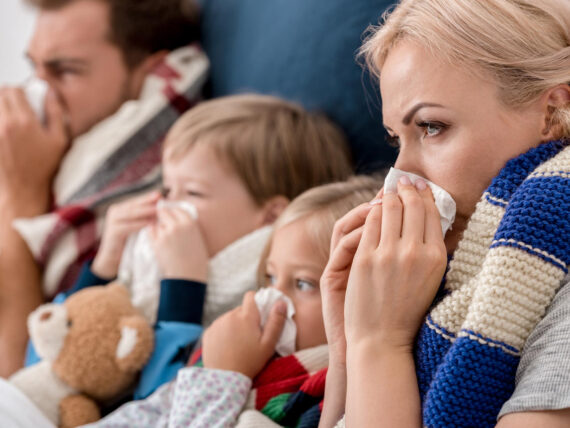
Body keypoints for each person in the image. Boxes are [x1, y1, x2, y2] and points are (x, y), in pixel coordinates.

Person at [318, 0, 570, 427]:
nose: (400, 176)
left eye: (432, 127)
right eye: (396, 139)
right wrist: (348, 346)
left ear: (551, 113)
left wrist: (380, 343)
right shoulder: (448, 277)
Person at [62, 94, 354, 399]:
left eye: (192, 192)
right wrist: (104, 267)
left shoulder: (264, 298)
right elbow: (56, 351)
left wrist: (184, 284)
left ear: (270, 217)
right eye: (168, 189)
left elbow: (163, 403)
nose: (168, 205)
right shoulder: (146, 268)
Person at [0, 0, 208, 377]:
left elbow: (15, 375)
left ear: (146, 70)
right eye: (34, 67)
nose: (39, 92)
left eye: (65, 71)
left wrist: (21, 194)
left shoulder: (148, 190)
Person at [83, 175, 383, 428]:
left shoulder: (331, 399)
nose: (273, 297)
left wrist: (221, 377)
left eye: (303, 283)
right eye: (270, 277)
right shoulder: (238, 346)